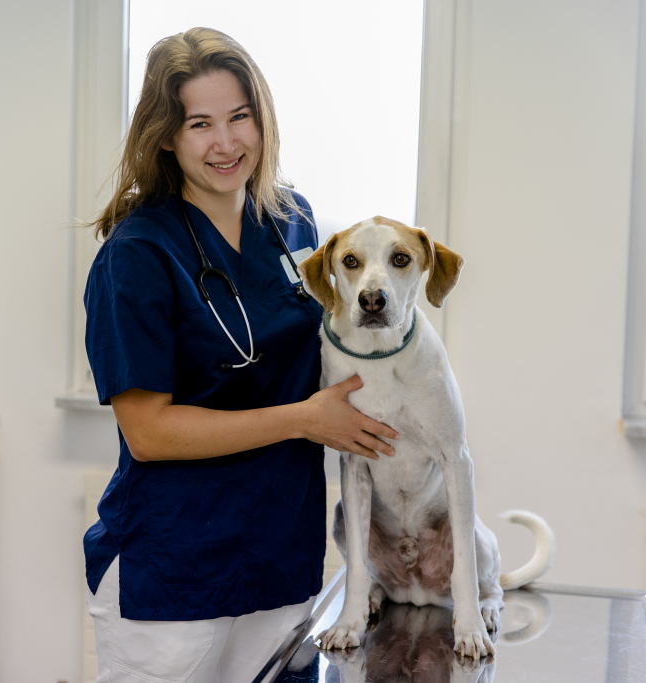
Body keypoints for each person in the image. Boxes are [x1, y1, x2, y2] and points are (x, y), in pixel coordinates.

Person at [83, 27, 398, 682]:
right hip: (174, 572)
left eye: (239, 117)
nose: (225, 143)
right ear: (167, 134)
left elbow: (334, 355)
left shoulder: (295, 222)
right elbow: (147, 432)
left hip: (281, 554)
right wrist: (303, 420)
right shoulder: (137, 254)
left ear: (262, 119)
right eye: (200, 123)